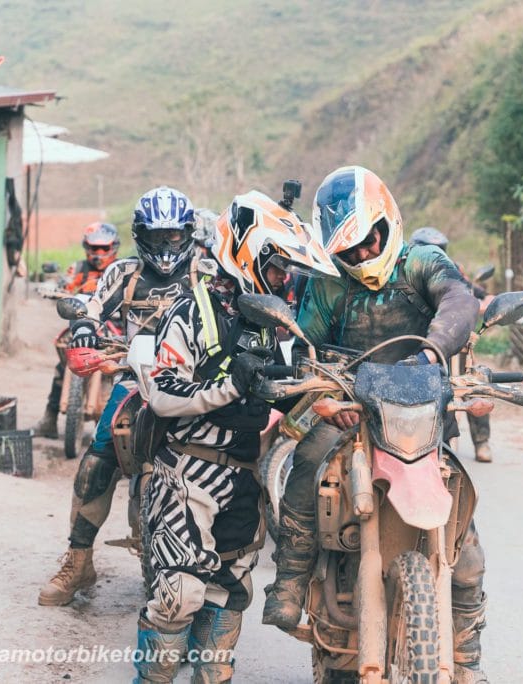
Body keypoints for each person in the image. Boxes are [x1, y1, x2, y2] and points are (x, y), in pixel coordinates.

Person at [262, 165, 490, 683]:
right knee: (306, 462)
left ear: (387, 224)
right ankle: (291, 581)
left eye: (369, 241)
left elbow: (459, 300)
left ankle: (468, 655)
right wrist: (323, 394)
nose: (363, 255)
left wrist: (432, 354)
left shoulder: (422, 263)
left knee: (467, 542)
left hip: (420, 412)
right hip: (349, 409)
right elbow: (306, 349)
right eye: (350, 249)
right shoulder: (327, 286)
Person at [133, 191, 337, 683]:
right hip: (185, 470)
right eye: (276, 267)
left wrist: (322, 400)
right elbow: (161, 394)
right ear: (249, 254)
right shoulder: (193, 311)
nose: (283, 278)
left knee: (228, 595)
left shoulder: (274, 324)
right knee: (179, 595)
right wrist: (228, 385)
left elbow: (285, 390)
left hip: (245, 473)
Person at [38, 186, 203, 607]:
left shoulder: (208, 273)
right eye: (157, 236)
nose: (167, 246)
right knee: (97, 459)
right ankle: (78, 560)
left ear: (187, 234)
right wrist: (82, 329)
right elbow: (91, 309)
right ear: (140, 235)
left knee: (234, 460)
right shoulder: (122, 273)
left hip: (196, 384)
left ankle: (226, 564)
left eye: (174, 237)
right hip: (134, 381)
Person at [409, 226, 494, 463]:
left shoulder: (452, 270)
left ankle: (482, 442)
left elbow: (472, 293)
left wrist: (480, 301)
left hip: (453, 337)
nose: (434, 254)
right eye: (428, 249)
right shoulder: (406, 271)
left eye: (439, 250)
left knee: (475, 382)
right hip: (421, 339)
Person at [33, 222, 120, 439]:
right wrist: (55, 289)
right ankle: (49, 419)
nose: (99, 254)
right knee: (62, 366)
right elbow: (66, 284)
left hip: (114, 326)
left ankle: (120, 427)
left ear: (113, 247)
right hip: (82, 324)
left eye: (104, 249)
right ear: (86, 248)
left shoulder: (120, 269)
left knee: (127, 371)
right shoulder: (78, 269)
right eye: (94, 249)